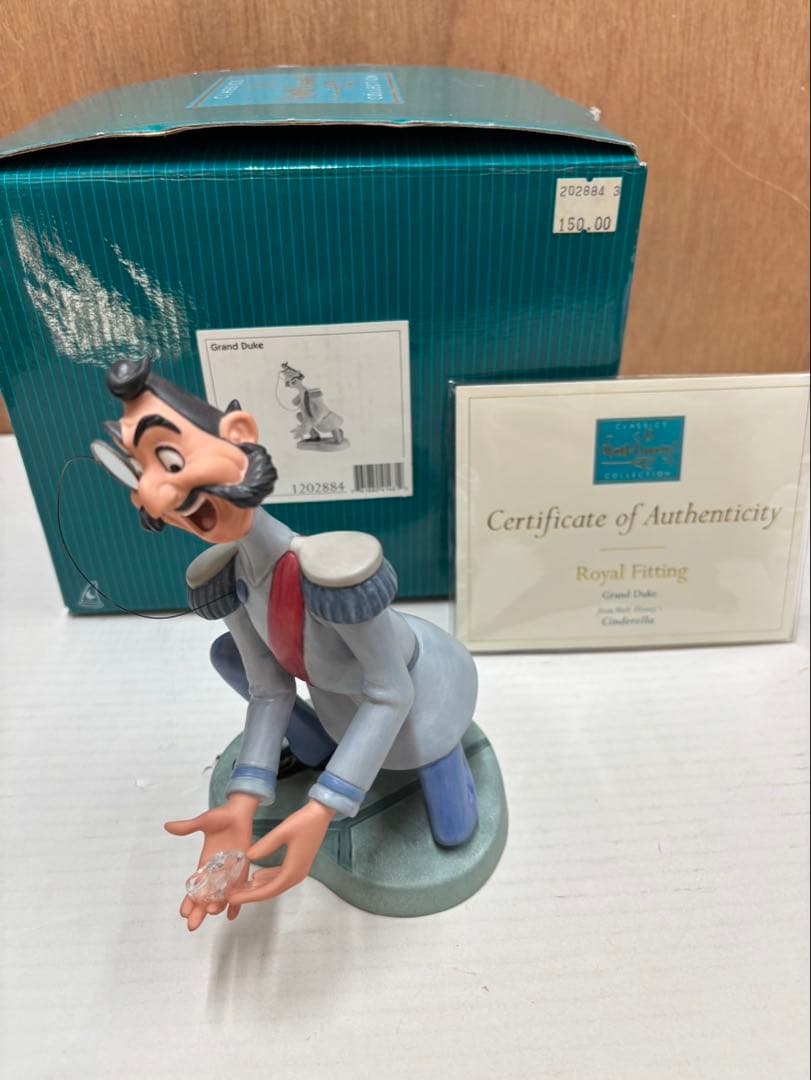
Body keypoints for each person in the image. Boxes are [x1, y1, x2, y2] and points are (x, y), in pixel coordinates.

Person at [91, 356, 479, 931]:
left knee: (453, 827)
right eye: (139, 471)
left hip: (425, 695)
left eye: (169, 458)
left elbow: (393, 690)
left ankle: (445, 771)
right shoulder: (228, 575)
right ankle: (315, 747)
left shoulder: (333, 570)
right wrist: (243, 802)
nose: (153, 488)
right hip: (339, 698)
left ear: (239, 437)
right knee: (229, 657)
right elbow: (269, 689)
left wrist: (325, 805)